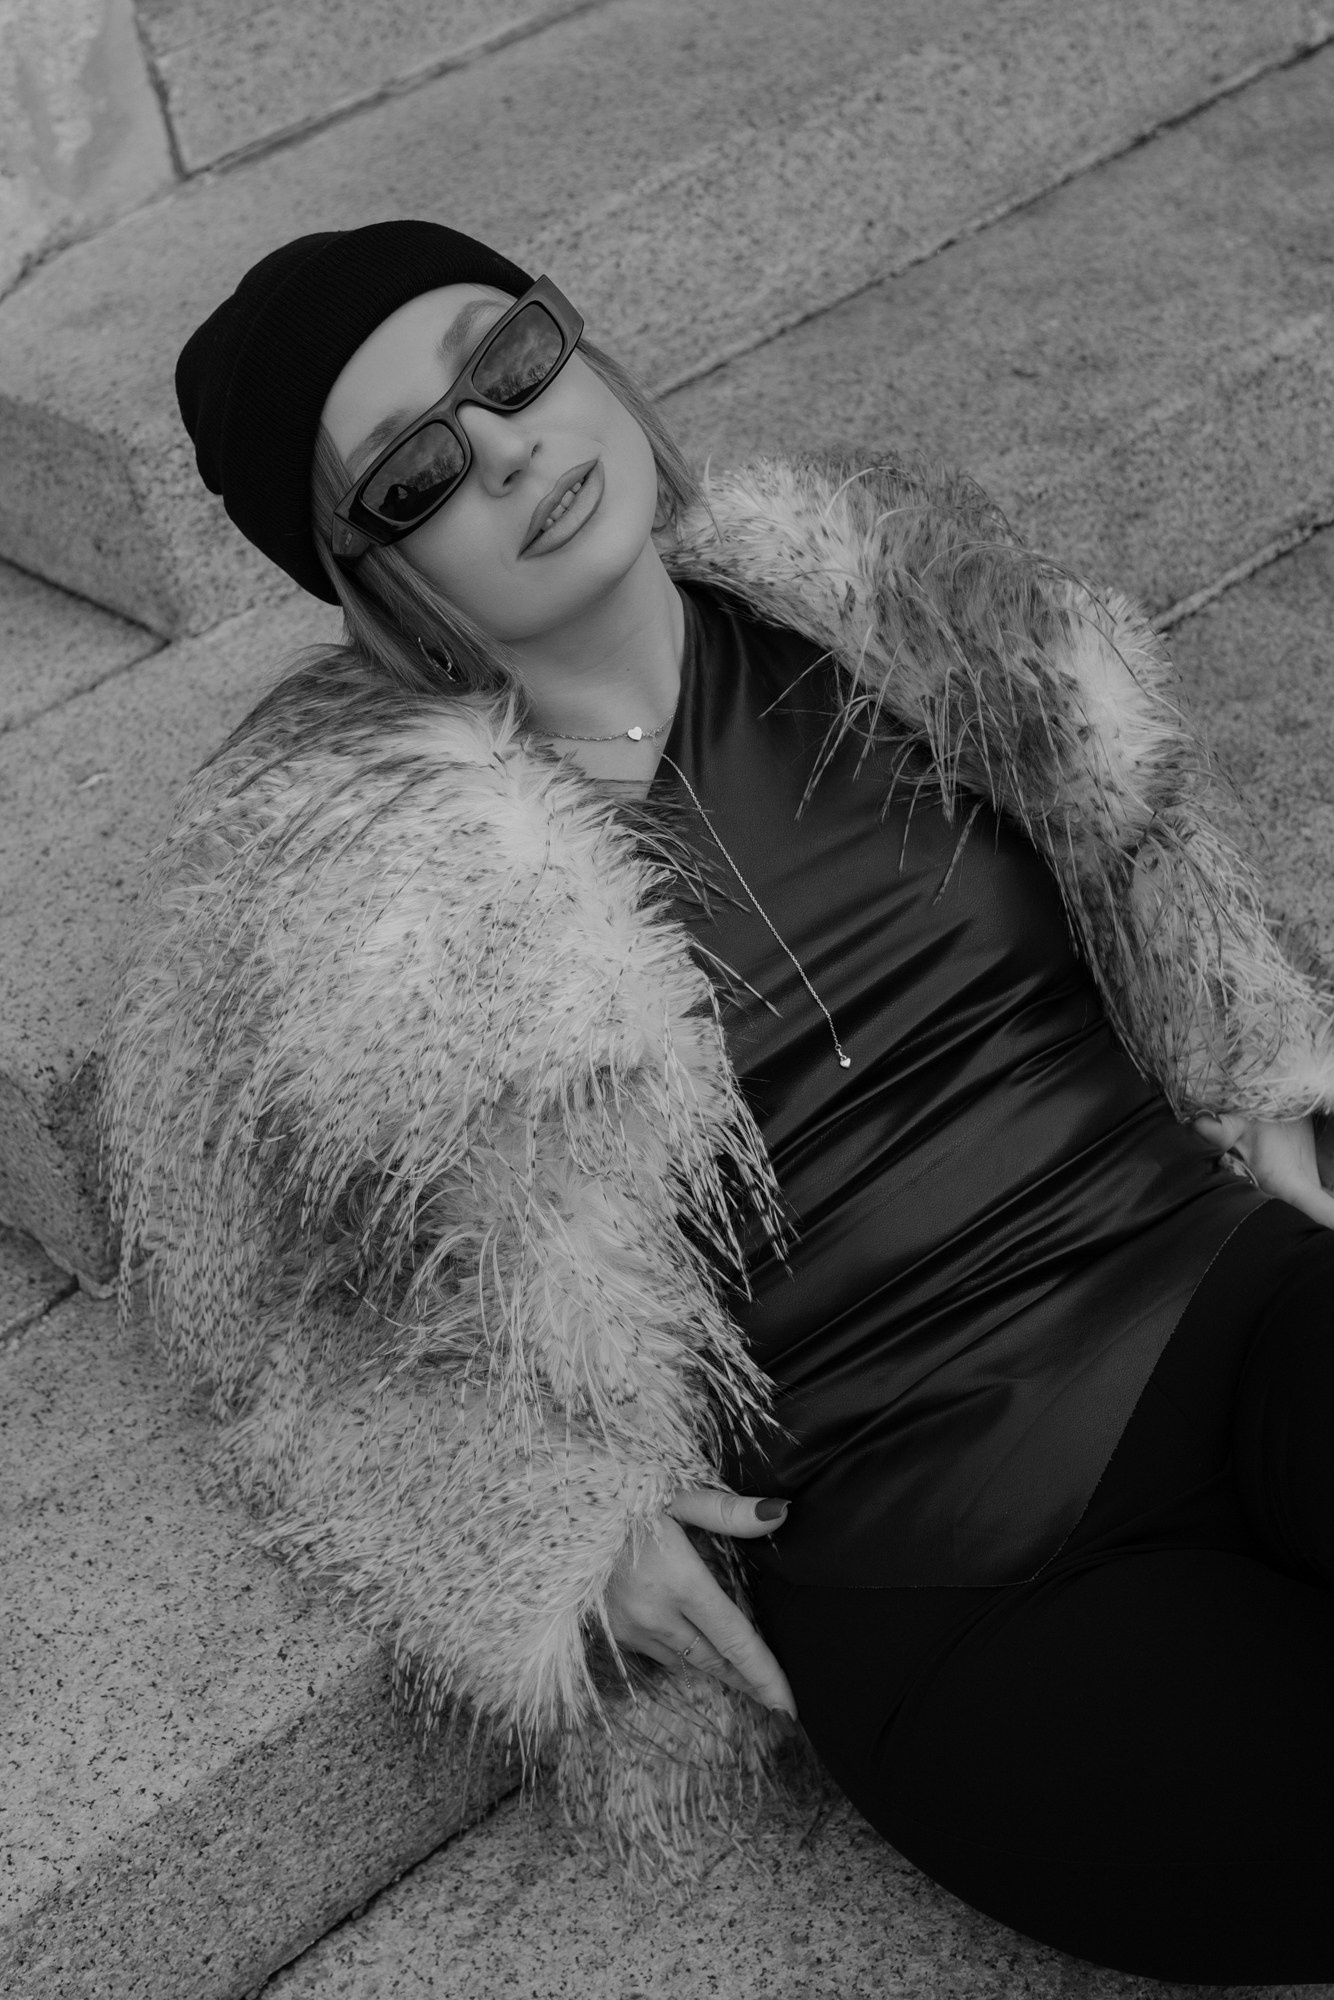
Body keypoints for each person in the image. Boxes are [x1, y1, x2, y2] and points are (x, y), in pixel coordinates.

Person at [101, 220, 1334, 1982]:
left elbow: (1145, 849)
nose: (505, 448)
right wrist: (538, 1527)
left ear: (576, 345)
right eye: (415, 473)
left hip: (1224, 1293)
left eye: (505, 362)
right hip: (935, 1555)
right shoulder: (352, 911)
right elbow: (297, 1335)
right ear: (372, 571)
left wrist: (1254, 1042)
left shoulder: (895, 599)